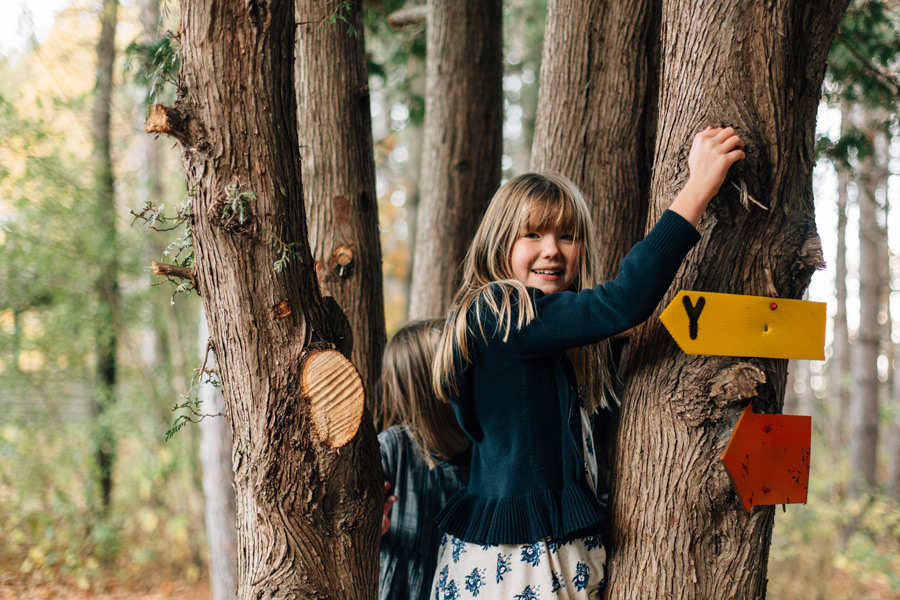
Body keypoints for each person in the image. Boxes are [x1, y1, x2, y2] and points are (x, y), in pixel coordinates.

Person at [430, 127, 745, 599]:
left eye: (568, 235)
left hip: (527, 553)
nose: (553, 249)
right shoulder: (502, 311)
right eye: (532, 234)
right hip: (525, 560)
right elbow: (620, 302)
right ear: (498, 243)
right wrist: (697, 188)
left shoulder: (528, 336)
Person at [377, 319, 473, 600]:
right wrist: (371, 527)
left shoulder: (481, 449)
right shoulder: (394, 448)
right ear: (431, 391)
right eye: (458, 369)